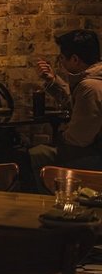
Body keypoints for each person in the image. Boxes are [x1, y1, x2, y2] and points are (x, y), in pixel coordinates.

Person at [30, 30, 102, 175]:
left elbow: (78, 139)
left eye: (62, 58)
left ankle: (45, 190)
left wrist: (59, 136)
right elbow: (73, 102)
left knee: (34, 154)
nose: (61, 62)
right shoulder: (94, 80)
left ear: (75, 59)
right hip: (93, 151)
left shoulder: (90, 87)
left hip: (93, 156)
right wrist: (51, 80)